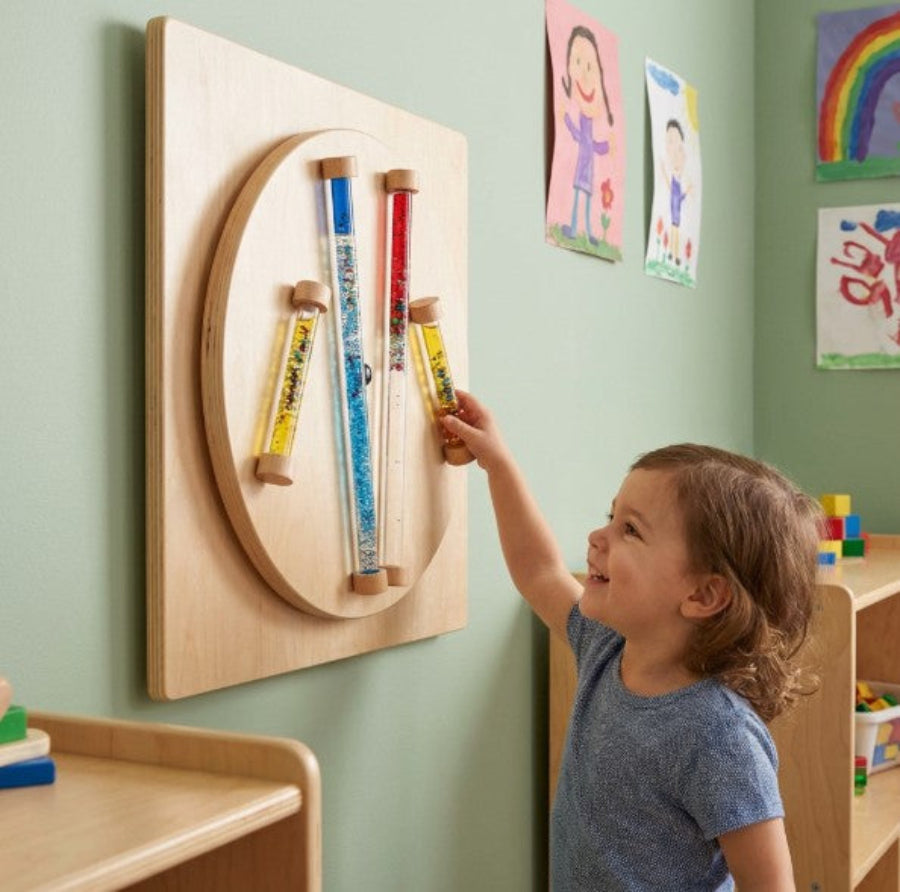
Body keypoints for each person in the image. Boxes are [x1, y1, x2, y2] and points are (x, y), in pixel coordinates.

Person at [442, 392, 822, 891]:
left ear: (703, 593)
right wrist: (497, 463)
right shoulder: (606, 649)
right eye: (610, 516)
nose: (598, 538)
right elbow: (538, 571)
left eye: (631, 531)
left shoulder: (719, 737)